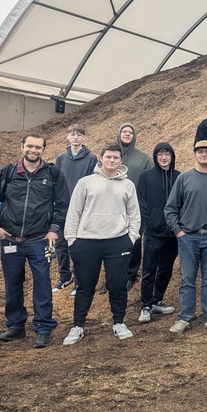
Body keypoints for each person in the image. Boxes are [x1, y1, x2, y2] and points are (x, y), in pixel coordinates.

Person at [0, 134, 69, 349]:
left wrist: (54, 229)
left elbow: (63, 205)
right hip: (11, 239)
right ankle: (16, 325)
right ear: (22, 147)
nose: (33, 150)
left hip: (39, 240)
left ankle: (43, 328)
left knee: (42, 283)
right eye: (30, 146)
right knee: (13, 283)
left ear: (43, 150)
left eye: (38, 147)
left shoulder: (53, 173)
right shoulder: (7, 172)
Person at [63, 144, 142, 345]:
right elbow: (74, 212)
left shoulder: (128, 185)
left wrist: (130, 238)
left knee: (117, 285)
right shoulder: (86, 182)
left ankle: (119, 323)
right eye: (108, 157)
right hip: (86, 242)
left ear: (121, 160)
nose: (112, 160)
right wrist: (72, 240)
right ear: (101, 158)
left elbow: (134, 214)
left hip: (117, 242)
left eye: (116, 157)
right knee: (85, 287)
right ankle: (78, 326)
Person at [164, 140, 207, 335]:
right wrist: (179, 231)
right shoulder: (185, 178)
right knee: (187, 279)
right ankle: (184, 317)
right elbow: (170, 209)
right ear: (195, 154)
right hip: (188, 237)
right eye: (200, 151)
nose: (204, 154)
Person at [136, 142, 181, 324]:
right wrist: (152, 222)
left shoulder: (180, 177)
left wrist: (177, 225)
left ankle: (156, 300)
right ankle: (146, 305)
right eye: (160, 154)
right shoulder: (146, 177)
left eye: (167, 154)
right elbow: (141, 202)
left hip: (173, 233)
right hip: (153, 232)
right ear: (155, 157)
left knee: (166, 269)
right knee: (149, 269)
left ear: (172, 156)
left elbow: (183, 202)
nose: (163, 157)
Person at [53, 124, 98, 291]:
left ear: (84, 138)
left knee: (78, 245)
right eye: (72, 134)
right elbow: (56, 182)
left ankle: (79, 280)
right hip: (62, 207)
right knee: (61, 244)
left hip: (81, 208)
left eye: (79, 134)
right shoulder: (60, 158)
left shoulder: (91, 159)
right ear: (67, 137)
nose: (76, 137)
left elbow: (93, 183)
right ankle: (65, 277)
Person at [116, 122, 153, 289]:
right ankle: (113, 275)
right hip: (113, 206)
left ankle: (130, 274)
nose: (127, 134)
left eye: (130, 132)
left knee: (134, 239)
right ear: (119, 134)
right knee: (111, 240)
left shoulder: (143, 158)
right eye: (124, 131)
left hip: (135, 206)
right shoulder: (110, 155)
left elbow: (149, 181)